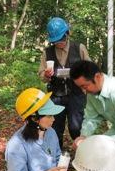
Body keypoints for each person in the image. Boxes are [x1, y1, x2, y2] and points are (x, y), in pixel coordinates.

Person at [38, 17, 91, 149]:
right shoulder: (47, 52)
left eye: (61, 39)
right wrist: (46, 74)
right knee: (55, 128)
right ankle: (56, 157)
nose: (59, 43)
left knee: (76, 127)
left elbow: (90, 69)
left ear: (67, 34)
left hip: (77, 94)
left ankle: (82, 154)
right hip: (55, 95)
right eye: (56, 41)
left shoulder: (79, 48)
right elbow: (41, 75)